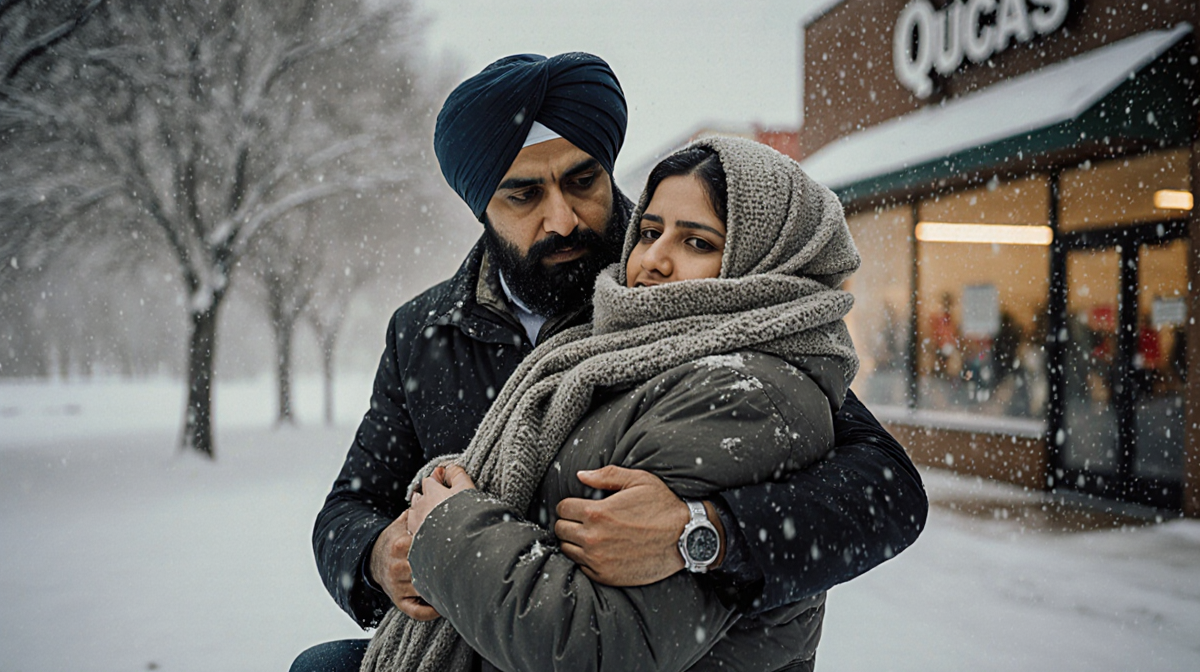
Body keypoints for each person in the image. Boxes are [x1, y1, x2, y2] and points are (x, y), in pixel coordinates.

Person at [294, 52, 927, 672]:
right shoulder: (426, 331)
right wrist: (382, 556)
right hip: (477, 625)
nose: (563, 219)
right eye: (523, 195)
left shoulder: (680, 299)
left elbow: (885, 489)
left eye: (582, 180)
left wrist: (703, 533)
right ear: (480, 205)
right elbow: (350, 507)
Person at [361, 136, 862, 672]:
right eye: (649, 233)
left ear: (767, 260)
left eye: (697, 243)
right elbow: (354, 499)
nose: (654, 260)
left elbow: (592, 648)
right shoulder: (627, 350)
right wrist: (380, 550)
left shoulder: (744, 394)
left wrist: (453, 528)